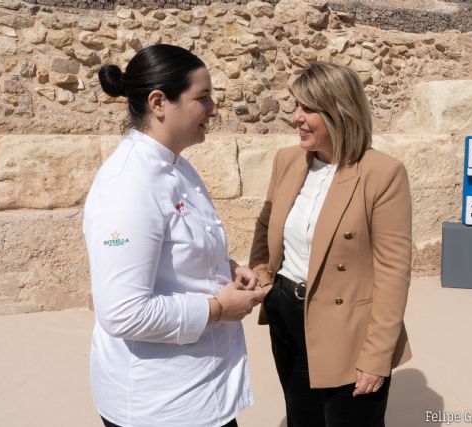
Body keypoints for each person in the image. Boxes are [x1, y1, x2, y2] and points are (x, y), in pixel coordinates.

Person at [83, 44, 264, 427]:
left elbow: (174, 249)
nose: (214, 109)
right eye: (202, 98)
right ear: (159, 102)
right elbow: (122, 312)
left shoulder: (176, 167)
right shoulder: (129, 184)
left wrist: (225, 268)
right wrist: (217, 308)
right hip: (161, 406)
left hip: (198, 391)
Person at [249, 62, 412, 427]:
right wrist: (264, 279)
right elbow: (265, 224)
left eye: (308, 109)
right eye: (295, 106)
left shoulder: (382, 173)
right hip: (287, 316)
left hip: (349, 327)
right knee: (301, 417)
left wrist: (377, 355)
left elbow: (393, 272)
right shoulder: (287, 160)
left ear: (339, 111)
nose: (295, 118)